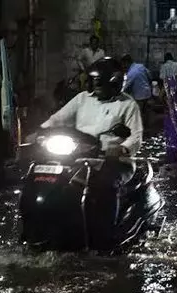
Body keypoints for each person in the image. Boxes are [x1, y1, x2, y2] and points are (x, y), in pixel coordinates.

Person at [40, 58, 143, 243]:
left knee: (105, 185)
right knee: (46, 174)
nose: (97, 88)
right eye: (94, 83)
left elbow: (135, 137)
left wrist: (122, 148)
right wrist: (41, 131)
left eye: (101, 84)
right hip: (78, 155)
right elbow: (58, 119)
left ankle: (104, 238)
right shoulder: (82, 99)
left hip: (113, 160)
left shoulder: (128, 105)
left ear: (115, 84)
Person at [121, 54, 152, 125]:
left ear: (126, 62)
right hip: (147, 93)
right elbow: (149, 75)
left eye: (123, 64)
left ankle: (140, 129)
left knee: (139, 113)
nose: (123, 66)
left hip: (139, 96)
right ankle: (147, 127)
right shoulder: (141, 66)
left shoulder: (131, 73)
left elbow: (126, 87)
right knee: (146, 111)